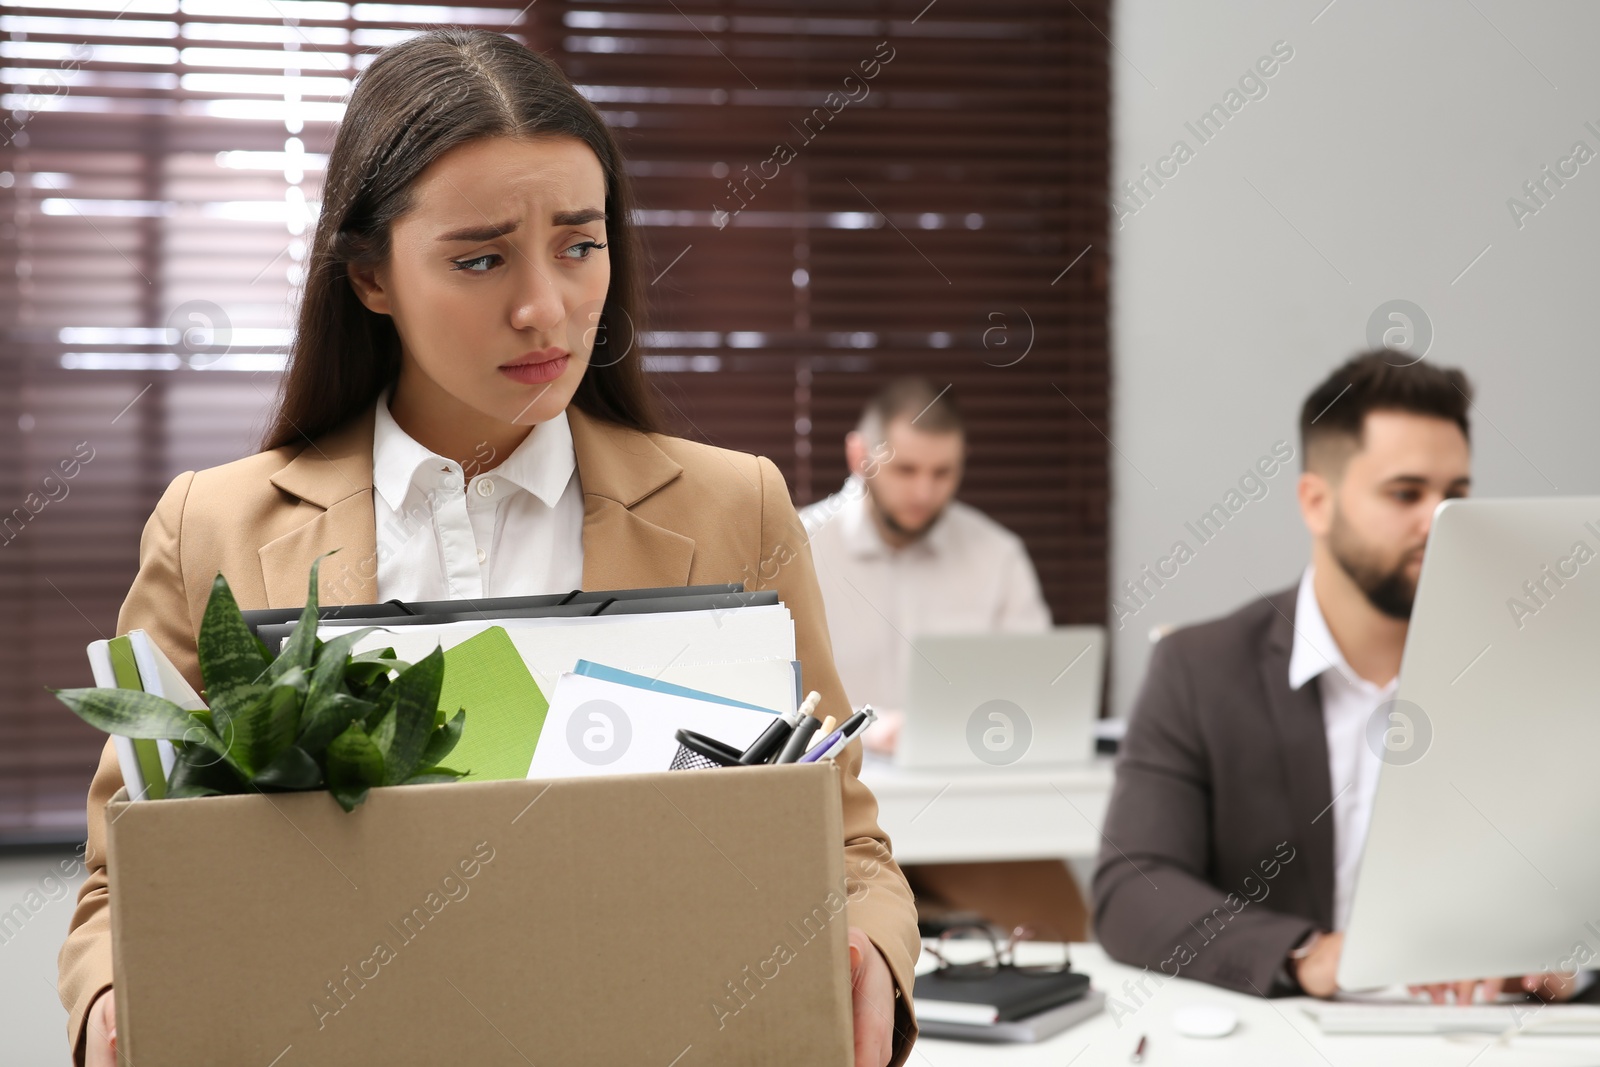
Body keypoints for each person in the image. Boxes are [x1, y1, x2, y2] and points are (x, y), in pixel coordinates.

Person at [56, 30, 919, 1067]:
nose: (545, 308)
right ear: (370, 275)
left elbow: (843, 838)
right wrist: (113, 999)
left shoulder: (735, 508)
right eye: (480, 257)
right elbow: (125, 877)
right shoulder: (218, 528)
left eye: (579, 243)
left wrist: (870, 950)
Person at [1094, 350, 1591, 1004]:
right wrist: (1308, 952)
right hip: (1297, 1034)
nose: (1438, 521)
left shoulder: (1539, 667)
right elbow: (1133, 888)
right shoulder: (1200, 667)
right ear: (1316, 501)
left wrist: (1567, 958)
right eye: (1406, 493)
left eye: (1456, 496)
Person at [798, 379, 1087, 940]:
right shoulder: (799, 545)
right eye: (906, 470)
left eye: (943, 473)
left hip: (969, 808)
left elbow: (1037, 697)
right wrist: (868, 729)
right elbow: (764, 698)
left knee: (1066, 927)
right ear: (861, 456)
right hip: (837, 816)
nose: (924, 492)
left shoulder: (995, 554)